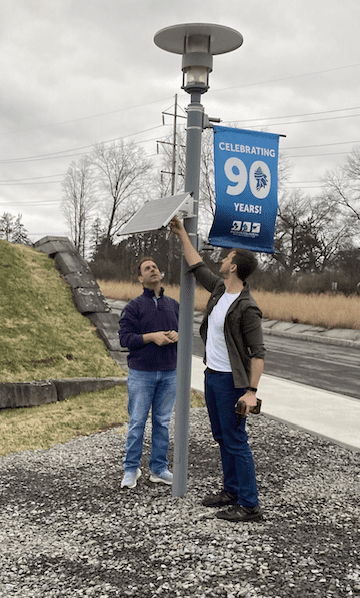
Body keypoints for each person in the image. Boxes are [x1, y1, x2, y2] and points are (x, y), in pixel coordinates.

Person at [170, 216, 265, 522]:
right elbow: (197, 266)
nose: (222, 260)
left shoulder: (248, 307)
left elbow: (259, 354)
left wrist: (252, 392)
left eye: (227, 258)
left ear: (235, 266)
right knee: (222, 437)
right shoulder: (219, 291)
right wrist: (182, 232)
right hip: (212, 375)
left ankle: (249, 505)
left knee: (236, 440)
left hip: (232, 382)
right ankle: (231, 491)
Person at [118, 257, 179, 489]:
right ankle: (131, 469)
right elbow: (125, 339)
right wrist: (151, 337)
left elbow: (185, 334)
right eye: (147, 268)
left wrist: (178, 336)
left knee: (162, 423)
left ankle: (159, 469)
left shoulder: (174, 305)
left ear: (160, 273)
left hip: (169, 373)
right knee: (137, 423)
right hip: (141, 374)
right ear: (140, 278)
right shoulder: (133, 307)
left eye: (155, 266)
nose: (152, 269)